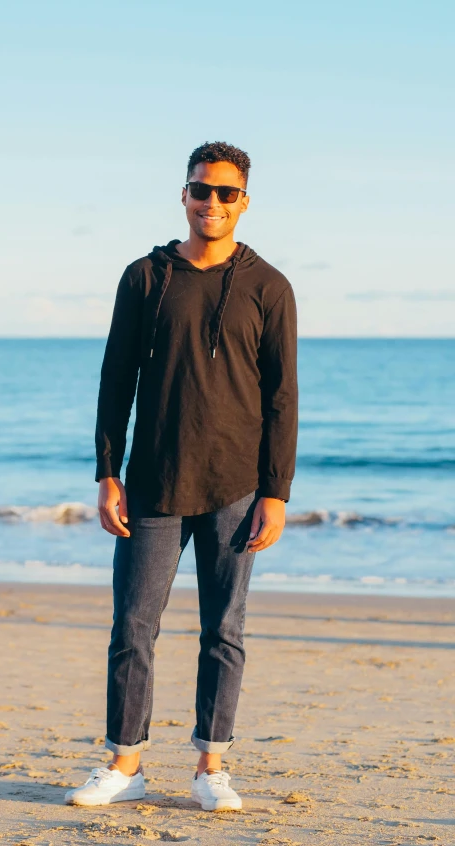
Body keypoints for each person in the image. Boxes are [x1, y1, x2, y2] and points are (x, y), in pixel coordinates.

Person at [65, 141, 298, 811]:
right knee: (132, 625)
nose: (213, 203)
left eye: (227, 193)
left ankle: (211, 767)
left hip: (237, 486)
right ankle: (125, 764)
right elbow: (116, 378)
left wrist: (276, 492)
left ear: (244, 202)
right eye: (203, 190)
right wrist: (108, 473)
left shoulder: (269, 286)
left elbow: (283, 397)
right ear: (185, 195)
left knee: (225, 629)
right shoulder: (145, 277)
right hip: (155, 483)